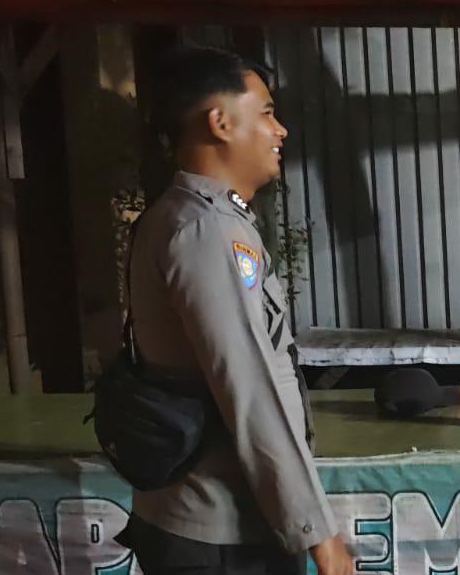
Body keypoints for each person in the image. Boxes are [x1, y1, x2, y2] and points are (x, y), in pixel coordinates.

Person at [118, 46, 352, 575]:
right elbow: (249, 387)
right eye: (267, 112)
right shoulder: (207, 230)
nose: (280, 130)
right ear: (220, 123)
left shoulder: (192, 217)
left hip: (212, 522)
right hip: (220, 534)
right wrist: (318, 535)